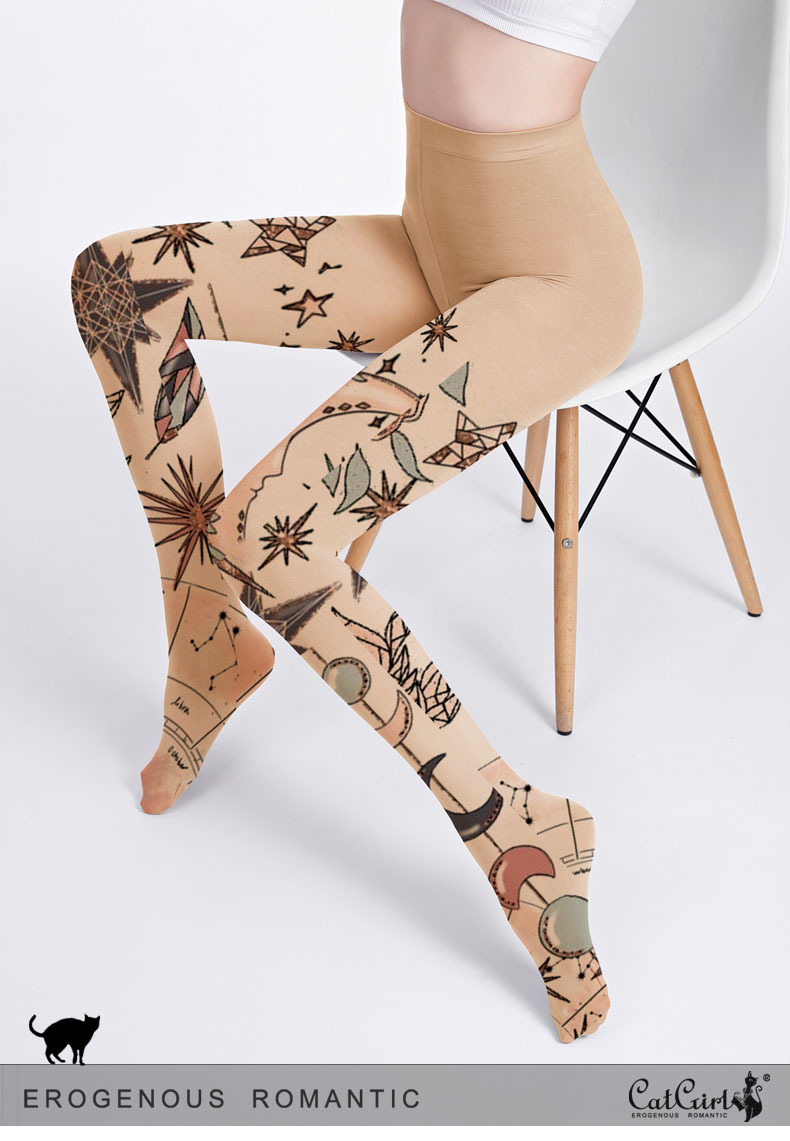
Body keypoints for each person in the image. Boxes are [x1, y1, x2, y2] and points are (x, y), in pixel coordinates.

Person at [69, 0, 642, 1043]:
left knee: (266, 531)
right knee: (122, 285)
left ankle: (517, 823)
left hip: (554, 280)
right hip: (439, 240)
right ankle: (205, 638)